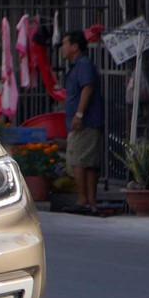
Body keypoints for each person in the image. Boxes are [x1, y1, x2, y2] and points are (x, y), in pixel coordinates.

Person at [60, 31, 104, 212]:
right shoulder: (76, 66)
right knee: (87, 162)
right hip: (84, 121)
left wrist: (79, 114)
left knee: (79, 160)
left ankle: (83, 200)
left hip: (85, 122)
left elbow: (88, 87)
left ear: (75, 46)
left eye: (65, 44)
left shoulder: (83, 64)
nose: (62, 48)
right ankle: (90, 203)